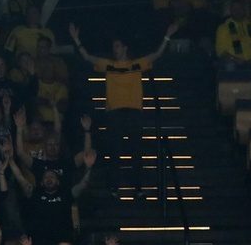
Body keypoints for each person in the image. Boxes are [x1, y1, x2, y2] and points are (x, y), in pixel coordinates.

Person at [67, 21, 175, 191]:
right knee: (115, 149)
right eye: (114, 47)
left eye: (117, 46)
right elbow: (87, 57)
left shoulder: (136, 65)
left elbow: (156, 55)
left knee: (136, 150)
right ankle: (114, 186)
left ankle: (137, 186)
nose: (114, 49)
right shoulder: (109, 65)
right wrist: (76, 39)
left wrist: (167, 36)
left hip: (134, 112)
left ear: (125, 48)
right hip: (114, 113)